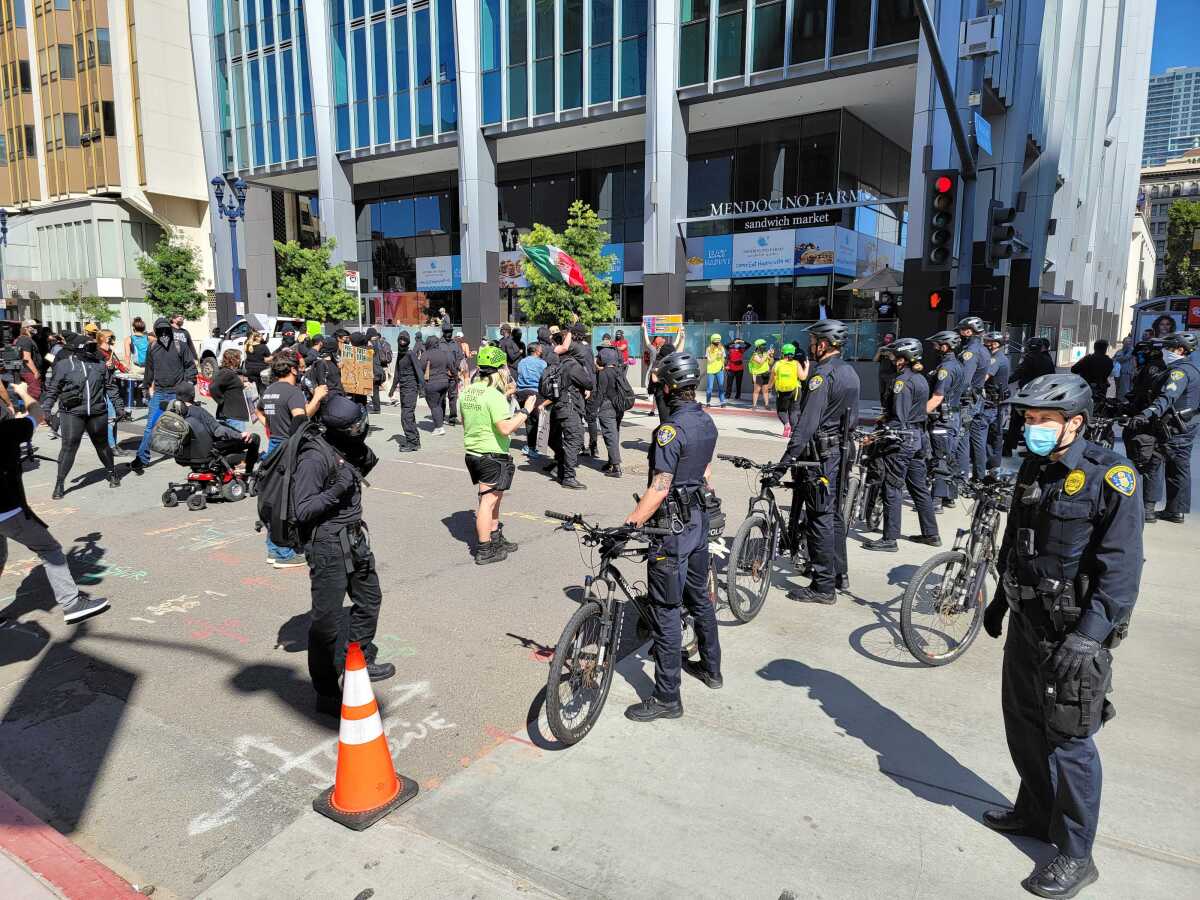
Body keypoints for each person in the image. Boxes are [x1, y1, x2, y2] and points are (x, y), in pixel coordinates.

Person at [981, 373, 1141, 900]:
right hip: (1028, 625)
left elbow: (1120, 569)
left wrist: (1090, 637)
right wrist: (1002, 598)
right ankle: (1034, 810)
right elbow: (1017, 540)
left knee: (1070, 743)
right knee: (1023, 724)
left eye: (1043, 421)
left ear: (1075, 422)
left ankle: (1076, 854)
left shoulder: (1111, 476)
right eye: (1028, 420)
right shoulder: (1035, 465)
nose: (1033, 429)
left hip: (1072, 636)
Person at [621, 350, 721, 723]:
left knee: (665, 611)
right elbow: (706, 470)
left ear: (666, 388)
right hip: (698, 518)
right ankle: (712, 669)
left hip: (672, 527)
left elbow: (660, 486)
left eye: (658, 386)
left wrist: (630, 524)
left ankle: (667, 697)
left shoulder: (669, 430)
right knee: (699, 598)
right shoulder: (706, 422)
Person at [294, 406, 395, 716]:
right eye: (354, 427)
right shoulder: (314, 457)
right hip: (327, 545)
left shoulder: (343, 446)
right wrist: (338, 488)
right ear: (338, 429)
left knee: (369, 599)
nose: (360, 429)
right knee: (326, 621)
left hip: (353, 538)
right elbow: (304, 509)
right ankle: (325, 690)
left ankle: (358, 662)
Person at [0, 381, 110, 624]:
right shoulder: (8, 431)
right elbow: (37, 414)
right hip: (6, 509)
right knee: (49, 549)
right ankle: (72, 604)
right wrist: (23, 394)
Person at [779, 321, 860, 603]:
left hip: (821, 456)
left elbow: (806, 425)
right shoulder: (849, 371)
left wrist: (785, 460)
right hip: (840, 452)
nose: (810, 347)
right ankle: (839, 574)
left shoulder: (821, 376)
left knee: (819, 519)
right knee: (834, 515)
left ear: (823, 345)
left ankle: (823, 586)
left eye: (813, 341)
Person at [460, 345, 537, 564]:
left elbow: (466, 422)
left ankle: (494, 536)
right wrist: (525, 411)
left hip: (473, 451)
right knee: (487, 501)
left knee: (495, 497)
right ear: (499, 370)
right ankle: (485, 548)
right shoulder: (493, 397)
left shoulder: (468, 391)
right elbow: (505, 428)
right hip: (491, 454)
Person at [862, 338, 939, 552]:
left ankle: (890, 538)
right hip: (917, 438)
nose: (892, 359)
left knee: (892, 487)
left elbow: (898, 419)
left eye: (895, 356)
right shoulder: (920, 379)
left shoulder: (902, 382)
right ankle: (931, 533)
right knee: (918, 487)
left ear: (903, 359)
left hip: (902, 439)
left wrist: (875, 436)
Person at [256, 356, 327, 567]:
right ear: (293, 370)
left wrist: (270, 427)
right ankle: (282, 552)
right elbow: (300, 417)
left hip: (274, 445)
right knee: (285, 501)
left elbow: (259, 411)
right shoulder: (292, 392)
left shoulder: (269, 391)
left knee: (274, 497)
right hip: (288, 446)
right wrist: (317, 398)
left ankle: (277, 547)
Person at [1125, 330, 1199, 524]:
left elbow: (1167, 397)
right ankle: (1176, 511)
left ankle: (1148, 509)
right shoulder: (1192, 368)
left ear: (1181, 349)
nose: (1165, 351)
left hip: (1172, 427)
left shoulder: (1178, 371)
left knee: (1154, 462)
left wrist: (1146, 413)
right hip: (1186, 425)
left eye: (1168, 347)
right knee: (1179, 467)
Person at [41, 334, 122, 498]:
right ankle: (60, 483)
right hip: (72, 413)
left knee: (102, 444)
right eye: (90, 346)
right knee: (69, 446)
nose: (93, 349)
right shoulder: (64, 365)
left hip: (97, 412)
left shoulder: (100, 365)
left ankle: (112, 472)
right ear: (79, 349)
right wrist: (47, 409)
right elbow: (53, 389)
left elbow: (110, 387)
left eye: (94, 346)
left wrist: (119, 407)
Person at [135, 318, 197, 472]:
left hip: (178, 393)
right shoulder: (153, 347)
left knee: (187, 424)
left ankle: (193, 455)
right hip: (160, 393)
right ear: (156, 332)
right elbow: (149, 370)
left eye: (165, 330)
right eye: (160, 331)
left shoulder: (180, 345)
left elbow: (190, 366)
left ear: (169, 331)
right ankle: (141, 459)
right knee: (151, 426)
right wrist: (146, 388)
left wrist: (188, 385)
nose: (163, 334)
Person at [171, 382, 260, 478]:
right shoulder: (198, 411)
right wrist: (240, 435)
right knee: (254, 438)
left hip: (184, 453)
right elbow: (218, 431)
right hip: (208, 451)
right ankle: (248, 471)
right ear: (192, 394)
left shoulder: (172, 412)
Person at [544, 328, 594, 489]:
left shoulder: (555, 362)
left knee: (558, 439)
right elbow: (589, 383)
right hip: (570, 407)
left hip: (557, 407)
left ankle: (560, 467)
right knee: (575, 440)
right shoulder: (572, 365)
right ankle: (568, 477)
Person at [925, 330, 967, 508]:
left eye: (936, 345)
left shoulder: (946, 369)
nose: (934, 348)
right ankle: (950, 496)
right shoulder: (957, 364)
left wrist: (918, 414)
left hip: (943, 418)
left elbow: (937, 397)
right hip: (953, 416)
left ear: (945, 346)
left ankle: (937, 499)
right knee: (949, 455)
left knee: (940, 456)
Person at [1004, 337, 1057, 456]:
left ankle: (1008, 448)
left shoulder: (1028, 358)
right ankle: (1031, 450)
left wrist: (1004, 381)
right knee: (1034, 423)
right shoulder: (1047, 359)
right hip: (1041, 396)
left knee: (1016, 422)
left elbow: (1018, 373)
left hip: (1026, 395)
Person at [956, 316, 993, 483]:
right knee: (977, 438)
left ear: (969, 331)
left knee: (963, 438)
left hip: (967, 401)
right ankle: (979, 475)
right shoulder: (984, 349)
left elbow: (965, 380)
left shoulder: (971, 351)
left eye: (962, 330)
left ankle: (962, 478)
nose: (960, 333)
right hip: (977, 399)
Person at [97, 329, 131, 456]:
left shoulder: (110, 352)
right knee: (111, 418)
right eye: (109, 337)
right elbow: (94, 370)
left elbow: (116, 364)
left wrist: (124, 368)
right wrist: (105, 365)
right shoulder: (97, 352)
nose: (112, 338)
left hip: (112, 387)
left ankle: (114, 444)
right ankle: (111, 447)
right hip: (104, 389)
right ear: (102, 338)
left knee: (115, 418)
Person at [388, 331, 424, 451]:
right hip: (403, 389)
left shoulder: (410, 354)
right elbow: (397, 372)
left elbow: (419, 371)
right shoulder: (400, 354)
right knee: (409, 416)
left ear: (408, 342)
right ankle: (415, 440)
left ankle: (412, 442)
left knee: (406, 416)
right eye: (400, 340)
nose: (402, 342)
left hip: (411, 388)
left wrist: (422, 389)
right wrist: (392, 389)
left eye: (404, 340)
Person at [595, 347, 627, 477]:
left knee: (610, 435)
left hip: (607, 407)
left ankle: (616, 467)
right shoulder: (619, 371)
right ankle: (611, 462)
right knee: (614, 434)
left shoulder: (604, 373)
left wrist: (592, 409)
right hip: (618, 406)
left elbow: (600, 393)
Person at [515, 341, 547, 459]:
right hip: (535, 393)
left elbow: (519, 375)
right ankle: (535, 448)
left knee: (528, 420)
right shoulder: (542, 363)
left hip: (522, 393)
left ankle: (530, 446)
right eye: (540, 349)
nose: (541, 351)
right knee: (539, 420)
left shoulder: (522, 362)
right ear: (537, 351)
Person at [769, 344, 805, 437]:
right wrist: (807, 367)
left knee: (782, 410)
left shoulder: (777, 364)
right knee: (794, 411)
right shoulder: (796, 363)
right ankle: (794, 432)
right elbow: (802, 377)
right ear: (793, 353)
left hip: (782, 391)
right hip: (796, 390)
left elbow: (772, 378)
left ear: (782, 353)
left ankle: (786, 425)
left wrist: (769, 387)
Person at [422, 333, 455, 435]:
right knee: (439, 404)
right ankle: (439, 423)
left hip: (432, 383)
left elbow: (421, 367)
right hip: (445, 382)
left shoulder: (426, 354)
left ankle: (439, 428)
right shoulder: (443, 353)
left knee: (434, 405)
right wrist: (456, 378)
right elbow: (451, 366)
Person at [211, 348, 251, 430]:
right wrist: (221, 400)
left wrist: (243, 385)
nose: (240, 360)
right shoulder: (226, 372)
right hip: (233, 416)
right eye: (239, 358)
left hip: (233, 415)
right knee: (237, 441)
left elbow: (230, 386)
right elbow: (213, 387)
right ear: (233, 359)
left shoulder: (229, 372)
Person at [1070, 341, 1113, 410]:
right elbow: (1108, 373)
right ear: (1105, 349)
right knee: (1099, 407)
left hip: (1087, 387)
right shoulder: (1109, 361)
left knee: (1086, 407)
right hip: (1101, 388)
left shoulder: (1087, 359)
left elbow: (1073, 369)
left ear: (1094, 348)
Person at [442, 323, 465, 424]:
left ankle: (452, 417)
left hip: (453, 375)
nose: (448, 334)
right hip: (442, 375)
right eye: (447, 332)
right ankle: (441, 415)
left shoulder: (455, 344)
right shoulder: (438, 344)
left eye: (450, 332)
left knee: (453, 396)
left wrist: (454, 369)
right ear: (443, 332)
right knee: (441, 397)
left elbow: (459, 356)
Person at [15, 321, 43, 401]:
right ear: (25, 328)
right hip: (29, 371)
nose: (35, 329)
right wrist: (35, 372)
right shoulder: (25, 340)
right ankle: (33, 412)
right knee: (34, 394)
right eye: (32, 327)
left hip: (28, 371)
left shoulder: (27, 339)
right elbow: (26, 358)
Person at [123, 317, 150, 393]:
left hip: (136, 367)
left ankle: (137, 401)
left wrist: (126, 367)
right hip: (148, 367)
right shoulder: (149, 338)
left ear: (133, 328)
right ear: (144, 328)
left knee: (135, 389)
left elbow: (127, 356)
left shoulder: (128, 339)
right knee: (148, 387)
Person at [748, 339, 773, 410]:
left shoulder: (765, 353)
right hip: (758, 375)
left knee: (765, 390)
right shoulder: (754, 354)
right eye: (762, 345)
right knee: (757, 390)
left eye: (765, 345)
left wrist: (771, 356)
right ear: (758, 346)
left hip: (765, 374)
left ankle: (767, 405)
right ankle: (754, 405)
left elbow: (771, 362)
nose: (764, 346)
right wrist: (767, 355)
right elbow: (760, 362)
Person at [873, 333, 897, 403]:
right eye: (886, 337)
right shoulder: (882, 347)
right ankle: (882, 408)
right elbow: (875, 360)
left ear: (893, 339)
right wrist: (879, 352)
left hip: (891, 374)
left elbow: (896, 364)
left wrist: (890, 355)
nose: (887, 339)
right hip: (882, 374)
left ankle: (888, 409)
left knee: (889, 392)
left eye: (890, 338)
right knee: (882, 392)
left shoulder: (895, 348)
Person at [705, 334, 726, 407]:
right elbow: (709, 361)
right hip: (711, 370)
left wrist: (723, 366)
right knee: (710, 388)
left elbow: (723, 359)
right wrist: (716, 356)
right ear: (712, 341)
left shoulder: (722, 348)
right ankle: (708, 402)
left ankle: (722, 402)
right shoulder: (708, 349)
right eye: (716, 340)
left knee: (721, 386)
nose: (717, 342)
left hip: (719, 370)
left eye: (718, 340)